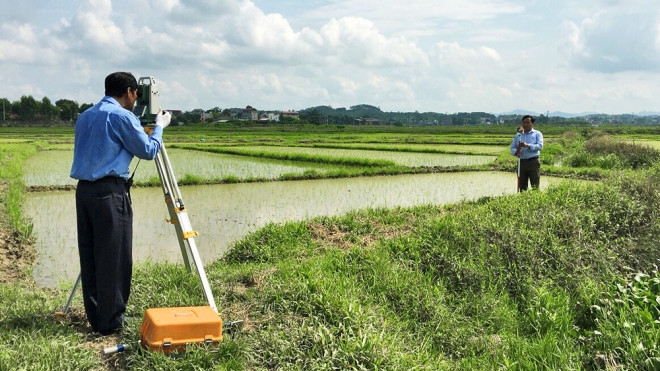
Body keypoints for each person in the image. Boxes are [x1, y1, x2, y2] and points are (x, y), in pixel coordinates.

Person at [70, 72, 171, 335]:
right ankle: (112, 321)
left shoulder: (85, 116)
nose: (137, 98)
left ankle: (97, 318)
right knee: (114, 257)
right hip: (109, 194)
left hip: (84, 193)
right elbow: (148, 151)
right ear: (128, 91)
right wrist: (159, 126)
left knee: (91, 255)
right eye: (136, 93)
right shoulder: (122, 117)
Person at [510, 115, 543, 191]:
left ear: (532, 123)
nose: (525, 124)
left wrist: (528, 145)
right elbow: (512, 148)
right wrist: (517, 149)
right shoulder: (518, 135)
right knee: (522, 185)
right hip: (521, 162)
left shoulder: (537, 134)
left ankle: (535, 200)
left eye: (528, 122)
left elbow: (540, 146)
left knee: (535, 184)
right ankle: (523, 200)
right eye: (524, 123)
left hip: (533, 162)